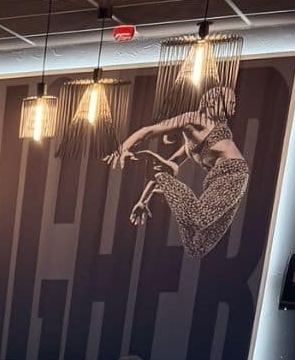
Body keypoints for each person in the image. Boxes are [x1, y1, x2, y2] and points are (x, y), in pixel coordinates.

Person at [105, 85, 249, 258]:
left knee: (197, 218)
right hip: (222, 180)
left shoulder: (210, 124)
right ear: (212, 101)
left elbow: (161, 169)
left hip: (233, 174)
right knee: (196, 248)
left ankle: (173, 195)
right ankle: (174, 197)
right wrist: (143, 200)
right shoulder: (193, 122)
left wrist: (159, 176)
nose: (233, 109)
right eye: (230, 103)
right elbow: (148, 132)